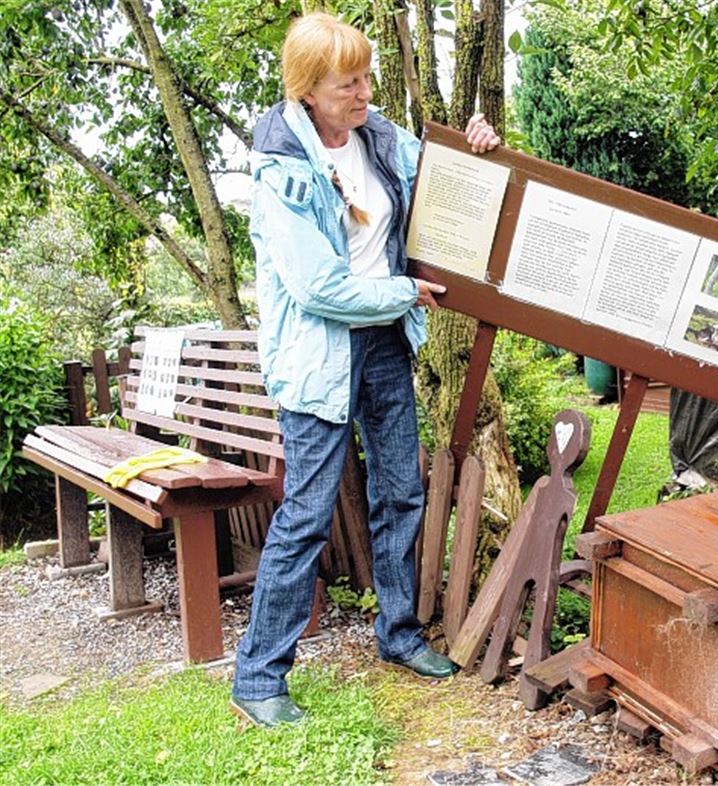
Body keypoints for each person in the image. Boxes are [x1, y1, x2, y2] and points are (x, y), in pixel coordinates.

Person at [230, 11, 500, 728]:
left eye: (366, 77)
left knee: (400, 493)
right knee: (309, 513)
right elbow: (318, 287)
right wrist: (404, 291)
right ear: (309, 90)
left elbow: (448, 184)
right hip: (323, 353)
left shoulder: (379, 135)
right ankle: (259, 678)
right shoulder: (283, 170)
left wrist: (476, 150)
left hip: (383, 344)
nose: (364, 93)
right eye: (348, 84)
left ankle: (400, 635)